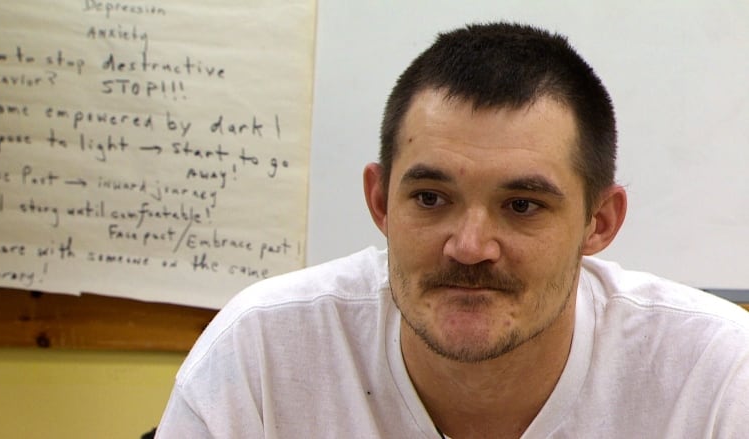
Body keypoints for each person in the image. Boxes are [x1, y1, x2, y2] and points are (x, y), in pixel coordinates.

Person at [156, 22, 749, 438]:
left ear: (599, 222)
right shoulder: (261, 352)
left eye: (521, 205)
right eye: (431, 198)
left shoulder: (717, 377)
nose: (469, 246)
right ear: (380, 203)